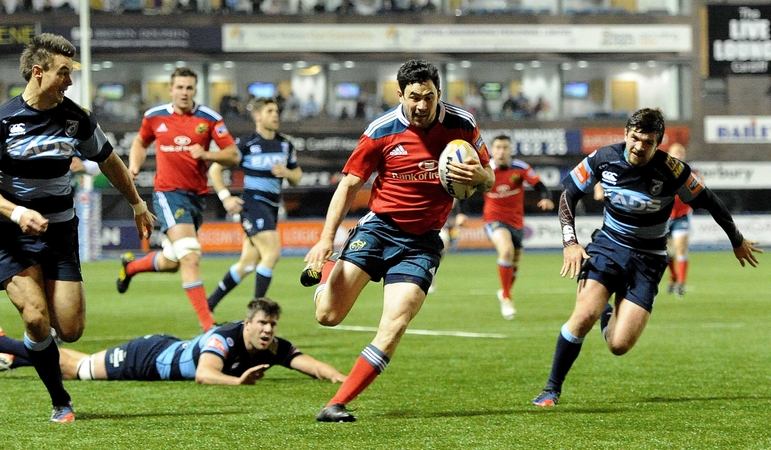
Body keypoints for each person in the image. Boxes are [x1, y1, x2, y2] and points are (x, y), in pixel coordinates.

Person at [0, 33, 154, 423]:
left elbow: (109, 160)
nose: (70, 81)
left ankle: (0, 342)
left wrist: (137, 203)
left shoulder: (76, 118)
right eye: (64, 73)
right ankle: (60, 401)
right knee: (36, 317)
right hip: (9, 235)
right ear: (38, 72)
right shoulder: (1, 121)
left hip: (59, 234)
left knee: (70, 330)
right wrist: (17, 213)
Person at [300, 59, 494, 422]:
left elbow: (488, 180)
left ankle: (336, 404)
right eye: (415, 97)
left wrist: (480, 174)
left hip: (422, 243)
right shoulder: (380, 130)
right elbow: (348, 186)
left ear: (439, 93)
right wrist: (325, 240)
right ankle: (325, 285)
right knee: (328, 315)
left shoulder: (462, 125)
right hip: (378, 230)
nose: (423, 106)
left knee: (395, 323)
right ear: (400, 94)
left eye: (430, 97)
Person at [532, 108, 761, 408]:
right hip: (607, 249)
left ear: (658, 144)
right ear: (626, 134)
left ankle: (607, 312)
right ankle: (552, 388)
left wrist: (736, 239)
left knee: (618, 345)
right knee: (583, 315)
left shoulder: (673, 171)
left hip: (649, 261)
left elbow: (711, 202)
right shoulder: (603, 159)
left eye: (648, 142)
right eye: (635, 138)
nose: (639, 146)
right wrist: (570, 242)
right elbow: (568, 193)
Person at [0, 298, 346, 386]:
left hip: (163, 348)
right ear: (247, 324)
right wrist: (238, 382)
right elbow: (204, 374)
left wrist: (340, 381)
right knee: (78, 368)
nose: (268, 331)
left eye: (272, 325)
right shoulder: (223, 339)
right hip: (146, 358)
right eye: (262, 324)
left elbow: (306, 362)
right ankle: (0, 339)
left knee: (77, 366)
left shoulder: (271, 345)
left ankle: (14, 358)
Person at [116, 67, 238, 332]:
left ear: (195, 90)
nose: (184, 92)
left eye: (189, 88)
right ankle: (209, 326)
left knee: (173, 261)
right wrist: (133, 166)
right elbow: (140, 142)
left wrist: (207, 155)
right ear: (171, 89)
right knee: (191, 257)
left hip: (196, 198)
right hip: (168, 194)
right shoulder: (154, 117)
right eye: (180, 87)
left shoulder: (209, 119)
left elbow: (233, 155)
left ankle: (132, 267)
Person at [207, 97, 302, 311]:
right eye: (270, 111)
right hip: (253, 204)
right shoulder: (246, 144)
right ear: (257, 116)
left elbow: (297, 176)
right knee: (272, 253)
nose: (275, 115)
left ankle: (208, 305)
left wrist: (286, 172)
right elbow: (215, 170)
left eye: (276, 111)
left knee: (248, 263)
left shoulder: (285, 144)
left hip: (272, 207)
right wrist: (225, 197)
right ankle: (257, 311)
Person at [483, 134, 554, 320]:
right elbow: (467, 189)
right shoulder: (484, 170)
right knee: (505, 251)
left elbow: (540, 185)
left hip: (517, 222)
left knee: (514, 266)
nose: (501, 151)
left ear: (510, 150)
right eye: (498, 147)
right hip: (493, 220)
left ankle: (504, 290)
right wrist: (461, 212)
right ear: (492, 150)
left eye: (505, 147)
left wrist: (546, 197)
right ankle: (506, 298)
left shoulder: (520, 168)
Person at [665, 143, 693, 298]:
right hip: (664, 217)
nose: (678, 156)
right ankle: (673, 276)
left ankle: (681, 283)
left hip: (682, 216)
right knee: (667, 252)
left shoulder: (690, 173)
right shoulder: (661, 172)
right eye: (675, 153)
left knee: (681, 248)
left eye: (681, 153)